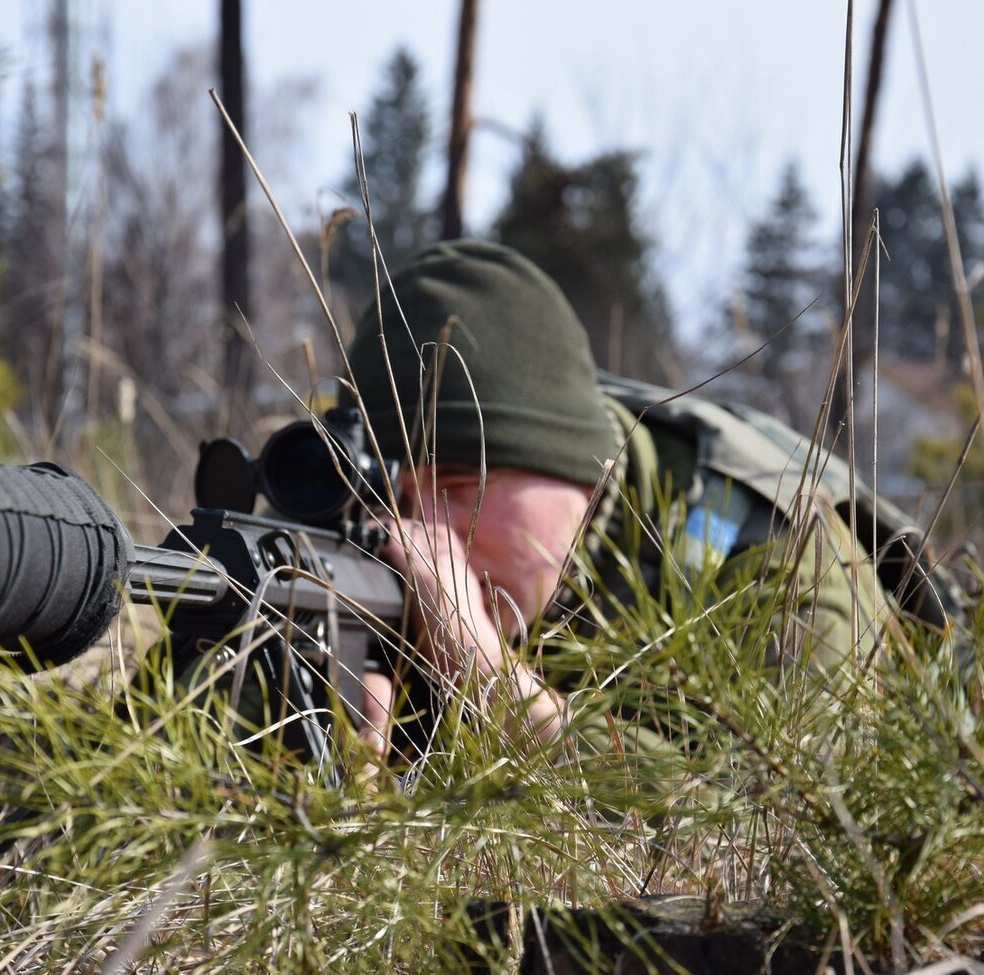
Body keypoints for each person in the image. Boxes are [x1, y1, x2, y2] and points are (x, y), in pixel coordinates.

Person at [338, 239, 934, 767]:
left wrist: (490, 681)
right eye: (393, 496)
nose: (417, 531)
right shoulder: (378, 562)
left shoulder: (781, 554)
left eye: (462, 485)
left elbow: (783, 834)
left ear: (579, 467)